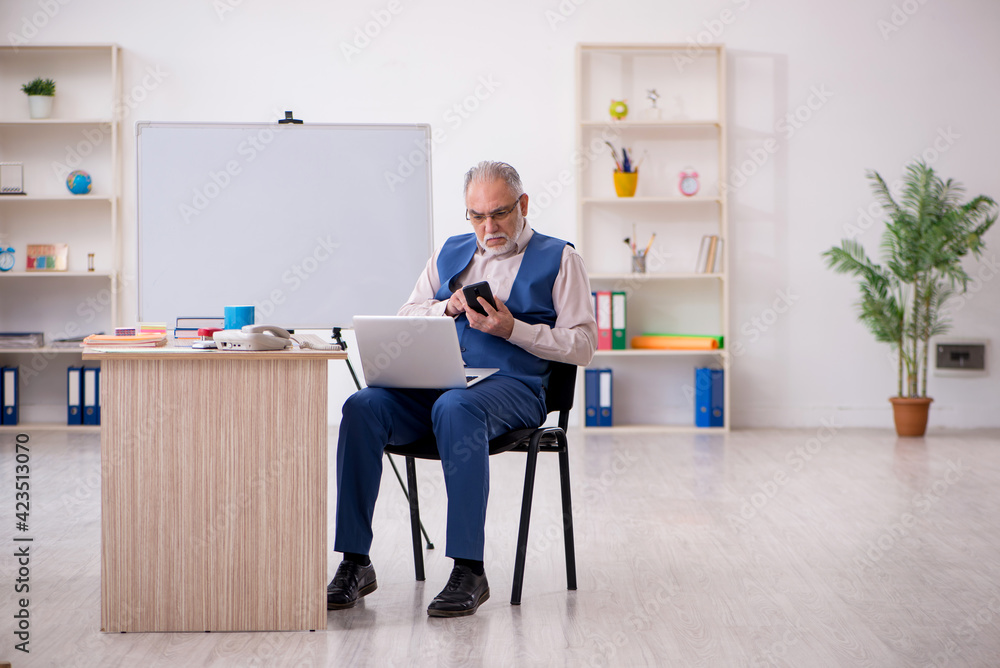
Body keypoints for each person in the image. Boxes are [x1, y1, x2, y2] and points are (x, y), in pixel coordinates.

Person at [329, 160, 597, 617]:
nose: (488, 227)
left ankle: (469, 569)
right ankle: (355, 561)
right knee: (362, 406)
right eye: (477, 216)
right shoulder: (450, 253)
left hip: (516, 388)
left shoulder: (561, 258)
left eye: (499, 213)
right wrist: (443, 307)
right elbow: (407, 312)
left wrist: (515, 330)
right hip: (444, 385)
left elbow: (584, 345)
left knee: (456, 408)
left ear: (523, 205)